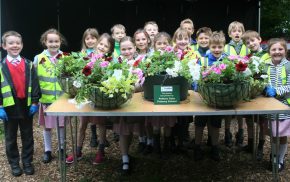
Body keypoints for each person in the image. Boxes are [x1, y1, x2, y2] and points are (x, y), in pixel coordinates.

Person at [66, 33, 114, 164]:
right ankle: (78, 151)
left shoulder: (109, 62)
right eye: (101, 44)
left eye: (106, 46)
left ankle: (101, 151)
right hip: (86, 97)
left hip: (99, 98)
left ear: (110, 49)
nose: (102, 47)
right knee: (82, 125)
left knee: (101, 124)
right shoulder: (88, 57)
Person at [0, 30, 41, 176]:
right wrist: (0, 106)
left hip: (26, 105)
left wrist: (35, 102)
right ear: (4, 46)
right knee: (10, 137)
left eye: (18, 43)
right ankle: (14, 164)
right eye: (11, 43)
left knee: (27, 135)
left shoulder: (29, 64)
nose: (15, 45)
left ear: (22, 45)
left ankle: (27, 162)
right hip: (9, 107)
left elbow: (35, 84)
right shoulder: (1, 66)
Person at [34, 28, 67, 164]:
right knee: (47, 127)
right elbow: (34, 79)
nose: (53, 44)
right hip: (46, 99)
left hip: (61, 99)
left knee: (61, 125)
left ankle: (61, 148)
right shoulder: (38, 58)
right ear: (45, 42)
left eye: (56, 41)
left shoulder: (65, 57)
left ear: (60, 42)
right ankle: (48, 150)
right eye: (50, 41)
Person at [193, 31, 227, 162]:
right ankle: (197, 147)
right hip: (204, 99)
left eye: (220, 47)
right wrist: (196, 84)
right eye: (214, 47)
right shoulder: (203, 60)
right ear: (209, 46)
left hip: (219, 99)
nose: (217, 50)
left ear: (224, 46)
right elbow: (195, 76)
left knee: (215, 124)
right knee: (199, 124)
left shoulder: (227, 60)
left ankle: (214, 147)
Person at [113, 36, 143, 174]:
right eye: (123, 49)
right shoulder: (116, 63)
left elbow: (142, 83)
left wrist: (133, 87)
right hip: (121, 102)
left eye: (129, 48)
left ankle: (134, 151)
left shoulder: (139, 62)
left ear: (134, 48)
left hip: (136, 102)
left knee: (131, 128)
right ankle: (125, 158)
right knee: (123, 129)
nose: (126, 51)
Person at [144, 32, 177, 157]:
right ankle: (156, 145)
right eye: (159, 43)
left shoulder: (173, 57)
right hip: (155, 95)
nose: (162, 46)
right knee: (156, 122)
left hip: (169, 94)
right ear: (154, 44)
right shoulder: (150, 57)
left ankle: (167, 146)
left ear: (169, 44)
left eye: (165, 43)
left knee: (168, 121)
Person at [241, 30, 270, 160]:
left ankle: (260, 147)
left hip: (263, 92)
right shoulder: (247, 57)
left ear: (259, 39)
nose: (251, 44)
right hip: (251, 92)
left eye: (253, 40)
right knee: (249, 120)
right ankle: (250, 144)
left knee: (262, 122)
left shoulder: (267, 55)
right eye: (248, 42)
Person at [263, 38, 290, 172]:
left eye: (280, 49)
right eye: (274, 49)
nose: (277, 52)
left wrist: (277, 91)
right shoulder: (265, 65)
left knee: (283, 134)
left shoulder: (288, 66)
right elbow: (261, 80)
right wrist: (264, 88)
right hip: (270, 105)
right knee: (273, 133)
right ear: (269, 51)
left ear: (285, 51)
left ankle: (280, 160)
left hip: (284, 105)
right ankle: (273, 157)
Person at [224, 21, 250, 147]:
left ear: (243, 33)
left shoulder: (247, 47)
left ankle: (240, 131)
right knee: (230, 107)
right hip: (231, 80)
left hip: (243, 80)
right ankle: (227, 132)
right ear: (229, 34)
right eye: (234, 31)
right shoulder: (226, 47)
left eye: (239, 31)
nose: (237, 33)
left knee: (240, 108)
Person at [80, 28, 100, 147]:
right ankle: (93, 135)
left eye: (93, 38)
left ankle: (100, 136)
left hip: (97, 85)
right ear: (84, 40)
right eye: (87, 38)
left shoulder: (100, 52)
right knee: (88, 110)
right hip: (86, 85)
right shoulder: (83, 53)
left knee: (97, 111)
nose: (90, 40)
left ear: (97, 39)